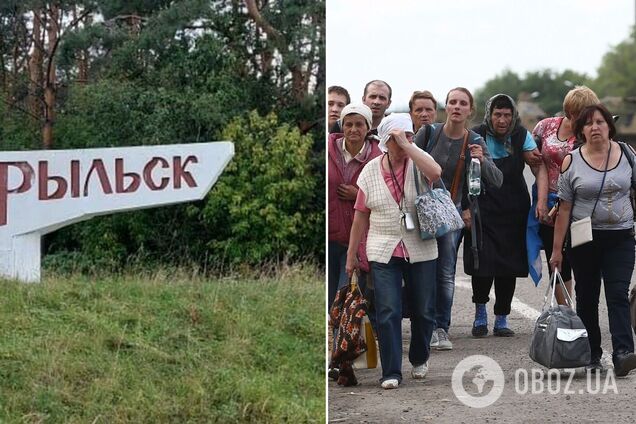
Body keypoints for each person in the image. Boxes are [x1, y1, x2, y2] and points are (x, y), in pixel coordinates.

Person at [345, 113, 441, 389]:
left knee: (424, 310)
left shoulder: (418, 162)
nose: (406, 140)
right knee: (388, 310)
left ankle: (420, 356)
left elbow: (436, 173)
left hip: (420, 247)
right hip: (383, 248)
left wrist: (409, 146)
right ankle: (391, 371)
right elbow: (360, 216)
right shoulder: (371, 170)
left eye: (409, 135)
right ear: (386, 141)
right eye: (399, 137)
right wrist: (352, 255)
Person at [550, 103, 636, 376]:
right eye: (589, 123)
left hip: (621, 236)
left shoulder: (628, 154)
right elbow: (564, 208)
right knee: (587, 297)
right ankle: (592, 355)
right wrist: (556, 251)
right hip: (584, 238)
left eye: (600, 121)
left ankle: (623, 352)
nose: (595, 127)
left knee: (618, 294)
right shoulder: (571, 161)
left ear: (609, 126)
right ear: (581, 131)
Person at [413, 87, 503, 349]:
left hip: (451, 218)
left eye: (462, 103)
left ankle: (441, 328)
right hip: (422, 213)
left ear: (470, 110)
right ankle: (423, 327)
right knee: (421, 273)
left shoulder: (475, 139)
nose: (456, 107)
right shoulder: (428, 133)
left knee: (444, 273)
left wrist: (482, 160)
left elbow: (496, 180)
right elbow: (409, 168)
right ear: (446, 107)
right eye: (452, 102)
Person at [468, 94, 548, 338]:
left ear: (513, 116)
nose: (502, 120)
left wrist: (542, 201)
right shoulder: (475, 135)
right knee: (482, 264)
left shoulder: (521, 136)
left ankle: (502, 317)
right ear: (489, 115)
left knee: (508, 266)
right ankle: (480, 313)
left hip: (514, 210)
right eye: (497, 114)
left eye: (507, 115)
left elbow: (538, 166)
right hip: (483, 208)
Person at [531, 86, 600, 305]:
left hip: (580, 206)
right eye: (575, 112)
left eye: (585, 114)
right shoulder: (545, 127)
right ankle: (566, 312)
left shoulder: (590, 135)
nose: (579, 118)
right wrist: (542, 200)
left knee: (580, 259)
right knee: (557, 259)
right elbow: (534, 161)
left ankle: (584, 310)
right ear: (568, 110)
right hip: (548, 202)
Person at [328, 103, 381, 309]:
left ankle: (343, 340)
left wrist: (357, 194)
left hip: (359, 239)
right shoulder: (329, 150)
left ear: (368, 127)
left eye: (359, 124)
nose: (353, 129)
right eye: (348, 124)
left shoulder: (378, 156)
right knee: (329, 300)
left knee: (345, 300)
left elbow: (385, 195)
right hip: (331, 236)